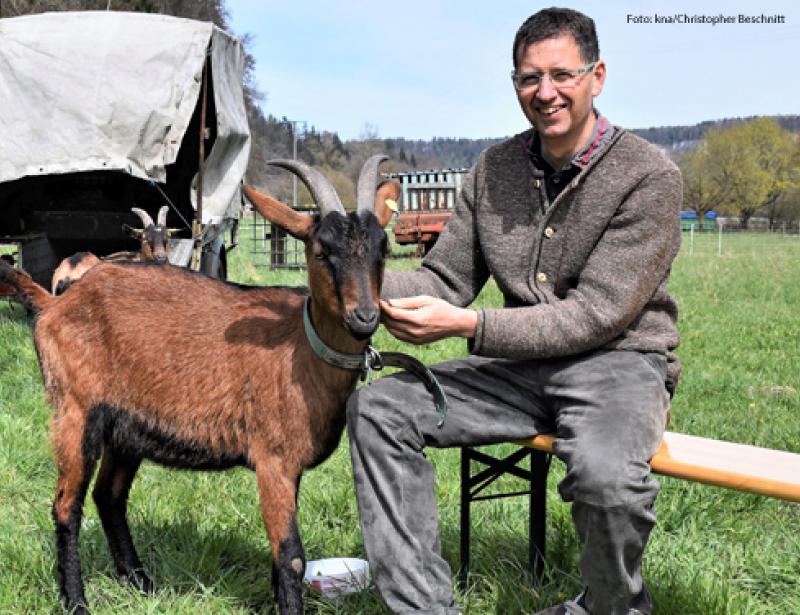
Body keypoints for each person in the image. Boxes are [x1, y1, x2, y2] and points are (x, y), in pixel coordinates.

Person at [346, 7, 682, 615]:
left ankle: (611, 606)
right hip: (520, 371)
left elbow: (596, 315)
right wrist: (348, 286)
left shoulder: (649, 177)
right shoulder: (492, 169)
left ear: (597, 76)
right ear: (515, 84)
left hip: (620, 365)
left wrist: (471, 326)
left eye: (562, 75)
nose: (545, 93)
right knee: (378, 407)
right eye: (529, 78)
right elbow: (445, 277)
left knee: (608, 479)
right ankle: (423, 608)